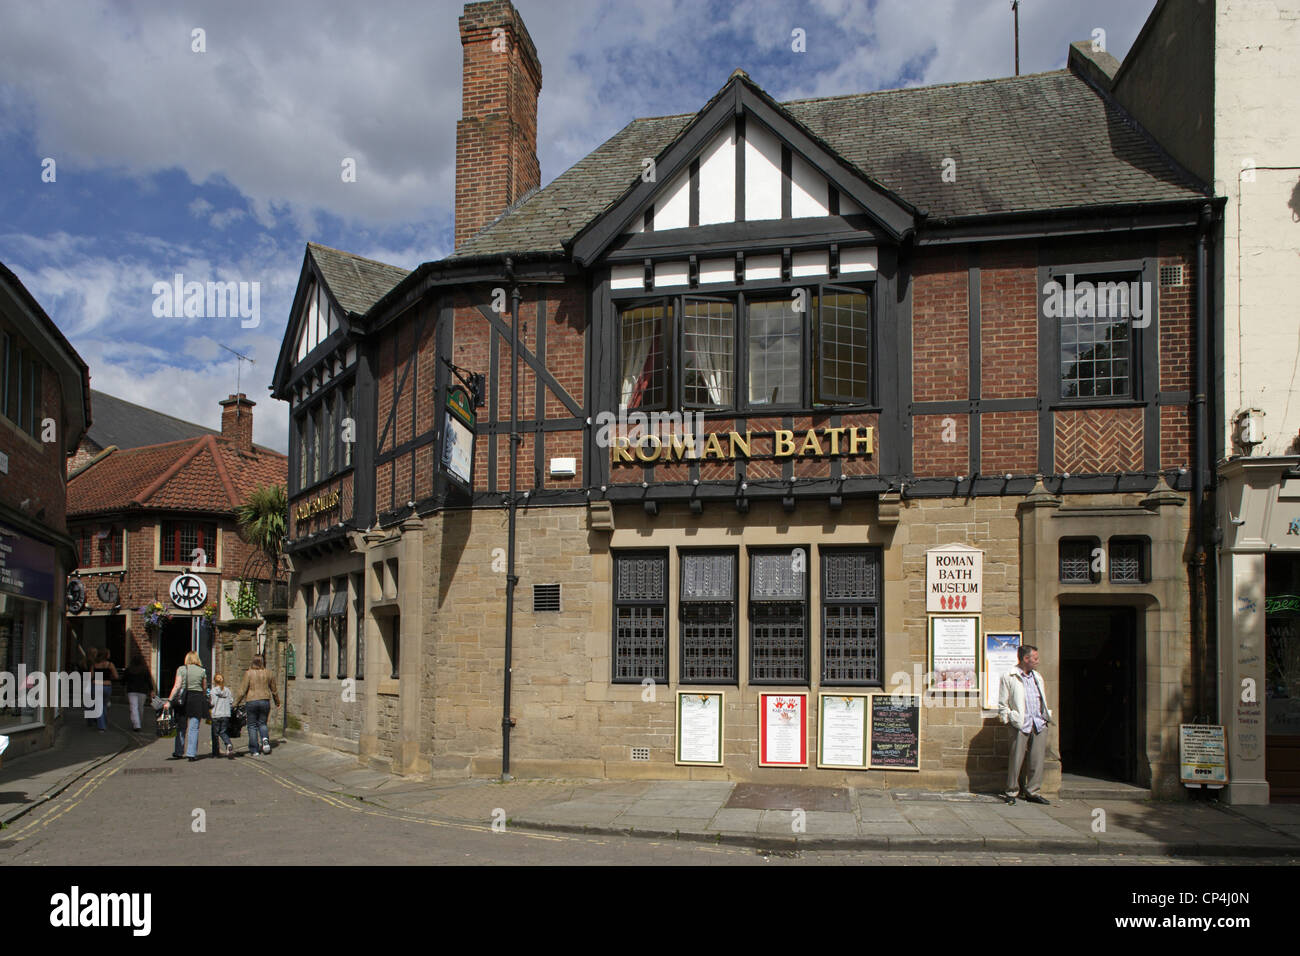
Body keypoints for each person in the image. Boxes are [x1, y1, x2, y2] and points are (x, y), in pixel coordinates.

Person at [998, 644, 1052, 805]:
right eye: (1034, 658)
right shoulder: (1009, 676)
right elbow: (1003, 702)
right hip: (1020, 723)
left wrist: (1045, 717)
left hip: (1038, 722)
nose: (1037, 661)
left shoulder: (1037, 676)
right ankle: (1012, 791)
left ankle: (1032, 791)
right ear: (1025, 659)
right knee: (1016, 759)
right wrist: (1009, 719)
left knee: (1037, 759)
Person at [162, 652, 208, 762]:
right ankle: (191, 754)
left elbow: (177, 686)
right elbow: (204, 688)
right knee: (194, 727)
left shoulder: (182, 669)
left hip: (183, 700)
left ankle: (178, 751)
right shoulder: (202, 671)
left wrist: (169, 700)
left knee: (181, 727)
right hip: (197, 700)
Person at [235, 655, 280, 757]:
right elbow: (274, 690)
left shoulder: (248, 673)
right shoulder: (268, 673)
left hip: (251, 701)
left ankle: (254, 750)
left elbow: (242, 691)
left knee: (252, 726)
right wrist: (277, 701)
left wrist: (235, 703)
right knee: (262, 723)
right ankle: (265, 740)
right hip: (265, 700)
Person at [89, 649, 119, 732]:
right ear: (106, 655)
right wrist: (109, 677)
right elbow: (116, 676)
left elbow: (91, 676)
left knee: (99, 706)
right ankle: (103, 723)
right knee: (104, 705)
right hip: (107, 686)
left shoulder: (94, 664)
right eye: (109, 653)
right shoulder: (110, 664)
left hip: (96, 685)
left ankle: (101, 726)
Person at [123, 655, 154, 732]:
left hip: (131, 690)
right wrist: (151, 690)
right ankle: (138, 722)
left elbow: (124, 680)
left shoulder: (128, 670)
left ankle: (136, 724)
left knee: (133, 708)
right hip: (142, 691)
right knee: (140, 708)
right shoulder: (145, 670)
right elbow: (148, 681)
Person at [209, 674, 234, 758]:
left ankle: (215, 753)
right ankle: (228, 744)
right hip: (226, 714)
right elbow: (231, 701)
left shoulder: (213, 691)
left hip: (216, 715)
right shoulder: (227, 690)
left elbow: (212, 703)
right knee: (223, 732)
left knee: (215, 734)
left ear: (214, 681)